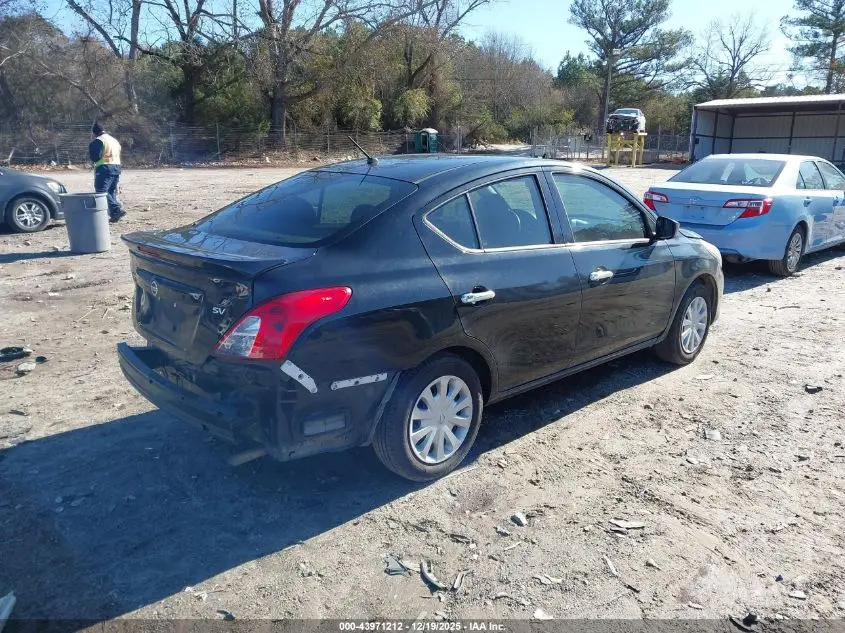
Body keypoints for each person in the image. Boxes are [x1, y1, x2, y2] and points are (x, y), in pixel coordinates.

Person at [89, 123, 125, 222]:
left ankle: (116, 209)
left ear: (94, 133)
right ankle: (114, 215)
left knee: (102, 191)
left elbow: (96, 157)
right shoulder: (114, 140)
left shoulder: (99, 140)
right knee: (111, 191)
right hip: (116, 167)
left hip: (104, 167)